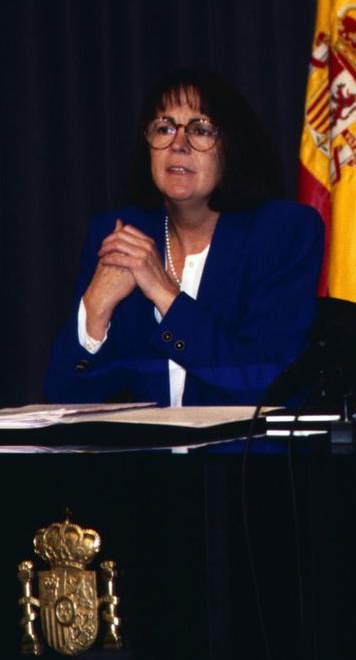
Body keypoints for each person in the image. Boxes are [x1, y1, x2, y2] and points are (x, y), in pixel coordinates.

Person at [44, 70, 324, 407]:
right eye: (164, 128)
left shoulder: (281, 232)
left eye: (200, 129)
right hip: (147, 458)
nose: (178, 144)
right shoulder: (120, 234)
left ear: (233, 147)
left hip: (246, 458)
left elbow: (266, 380)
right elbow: (63, 397)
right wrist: (95, 312)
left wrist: (164, 293)